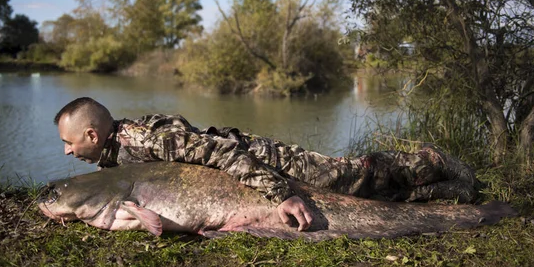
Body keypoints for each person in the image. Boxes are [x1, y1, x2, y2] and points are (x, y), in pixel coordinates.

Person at [54, 97, 481, 232]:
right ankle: (438, 194)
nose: (67, 152)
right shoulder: (111, 158)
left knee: (354, 177)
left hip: (259, 161)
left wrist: (282, 193)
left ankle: (430, 160)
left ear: (93, 135)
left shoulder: (148, 140)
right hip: (237, 177)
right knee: (348, 199)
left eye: (69, 143)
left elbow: (222, 153)